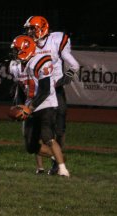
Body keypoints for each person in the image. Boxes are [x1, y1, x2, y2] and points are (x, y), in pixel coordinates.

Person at [24, 16, 80, 175]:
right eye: (28, 29)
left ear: (42, 27)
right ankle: (45, 164)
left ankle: (57, 162)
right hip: (39, 89)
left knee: (60, 129)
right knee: (37, 130)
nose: (29, 32)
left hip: (55, 89)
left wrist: (63, 80)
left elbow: (74, 65)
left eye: (32, 28)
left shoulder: (56, 40)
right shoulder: (30, 44)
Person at [10, 34, 70, 177]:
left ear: (25, 50)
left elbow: (45, 89)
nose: (14, 53)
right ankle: (58, 156)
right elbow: (20, 88)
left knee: (47, 137)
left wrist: (29, 108)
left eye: (17, 50)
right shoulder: (16, 66)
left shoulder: (40, 61)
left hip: (46, 103)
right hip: (30, 104)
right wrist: (18, 106)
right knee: (31, 146)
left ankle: (63, 170)